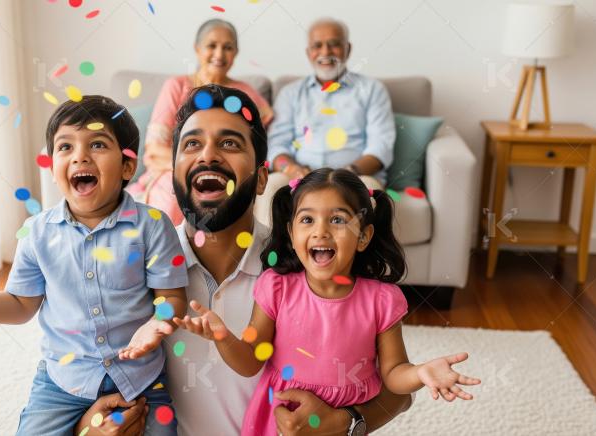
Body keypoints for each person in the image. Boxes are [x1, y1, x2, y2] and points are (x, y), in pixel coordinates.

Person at [0, 96, 189, 436]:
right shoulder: (36, 232)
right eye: (65, 147)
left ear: (128, 166)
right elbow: (19, 304)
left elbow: (172, 296)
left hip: (141, 379)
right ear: (52, 165)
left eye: (98, 144)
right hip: (63, 383)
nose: (80, 156)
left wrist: (157, 325)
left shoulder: (153, 225)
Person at [163, 84, 414, 436]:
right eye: (192, 143)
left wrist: (347, 422)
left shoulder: (304, 262)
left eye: (230, 143)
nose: (208, 156)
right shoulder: (146, 264)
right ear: (173, 169)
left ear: (262, 177)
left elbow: (398, 392)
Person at [176, 168, 482, 435]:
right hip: (281, 419)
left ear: (363, 236)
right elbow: (250, 360)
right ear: (292, 233)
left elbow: (394, 372)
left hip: (343, 423)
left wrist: (421, 372)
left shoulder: (382, 300)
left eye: (337, 220)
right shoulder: (276, 288)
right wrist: (221, 335)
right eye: (307, 219)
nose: (320, 230)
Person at [127, 18, 273, 226]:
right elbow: (154, 150)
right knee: (173, 191)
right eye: (212, 46)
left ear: (236, 53)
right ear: (197, 49)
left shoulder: (246, 93)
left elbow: (259, 146)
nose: (219, 54)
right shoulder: (176, 86)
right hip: (171, 171)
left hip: (227, 174)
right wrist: (193, 167)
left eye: (228, 47)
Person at [256, 18, 396, 225]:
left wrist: (348, 174)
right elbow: (276, 145)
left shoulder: (372, 90)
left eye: (334, 44)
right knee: (273, 186)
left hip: (356, 176)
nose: (325, 52)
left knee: (372, 193)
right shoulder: (290, 93)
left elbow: (381, 146)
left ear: (347, 49)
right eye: (317, 45)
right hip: (299, 176)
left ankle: (367, 259)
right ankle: (268, 257)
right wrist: (292, 170)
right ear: (308, 53)